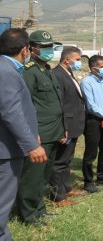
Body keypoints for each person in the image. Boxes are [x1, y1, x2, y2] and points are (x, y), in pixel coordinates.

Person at [0, 29, 47, 237]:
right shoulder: (6, 71)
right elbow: (11, 111)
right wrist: (31, 144)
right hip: (6, 150)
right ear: (25, 49)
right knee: (3, 201)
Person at [17, 30, 64, 224]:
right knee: (32, 177)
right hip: (39, 134)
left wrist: (63, 128)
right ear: (32, 49)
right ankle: (28, 215)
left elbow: (55, 103)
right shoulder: (29, 71)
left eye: (50, 47)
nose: (48, 50)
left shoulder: (47, 69)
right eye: (44, 47)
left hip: (53, 132)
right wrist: (31, 134)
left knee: (43, 175)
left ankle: (40, 208)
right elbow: (24, 104)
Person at [49, 46, 87, 206]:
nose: (79, 63)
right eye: (77, 60)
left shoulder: (68, 73)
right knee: (59, 162)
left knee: (67, 160)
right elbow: (59, 105)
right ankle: (58, 197)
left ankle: (66, 188)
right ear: (67, 59)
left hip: (74, 125)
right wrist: (62, 128)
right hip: (66, 126)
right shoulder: (57, 75)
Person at [81, 55, 103, 193]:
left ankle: (102, 176)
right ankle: (88, 182)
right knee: (91, 152)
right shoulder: (87, 82)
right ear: (93, 68)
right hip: (93, 120)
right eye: (102, 67)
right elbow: (91, 105)